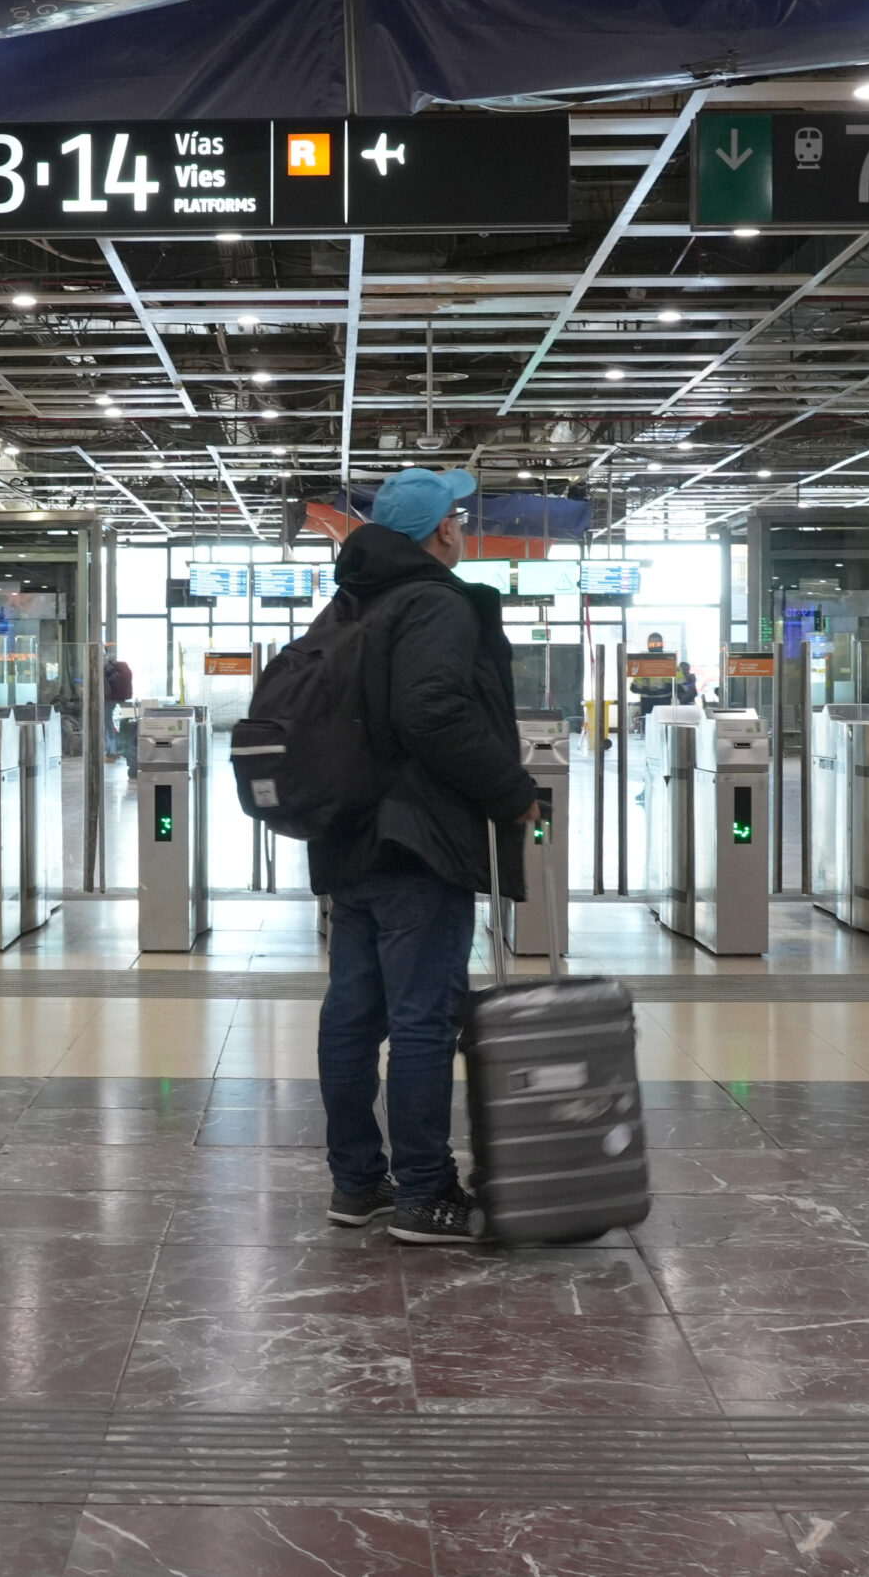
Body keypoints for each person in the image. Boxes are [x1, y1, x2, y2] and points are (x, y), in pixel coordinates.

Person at [309, 467, 539, 1247]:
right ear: (444, 529)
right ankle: (424, 1189)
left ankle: (355, 1181)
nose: (463, 527)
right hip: (419, 841)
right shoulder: (437, 603)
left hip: (348, 837)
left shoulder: (348, 604)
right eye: (459, 517)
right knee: (420, 1018)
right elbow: (432, 713)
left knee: (351, 1014)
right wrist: (510, 789)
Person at [629, 632, 674, 731]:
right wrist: (646, 690)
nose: (654, 646)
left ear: (662, 644)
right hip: (647, 701)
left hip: (663, 700)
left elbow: (676, 683)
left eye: (657, 643)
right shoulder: (642, 661)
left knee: (664, 728)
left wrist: (665, 689)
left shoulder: (669, 660)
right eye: (652, 644)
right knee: (648, 728)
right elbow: (633, 687)